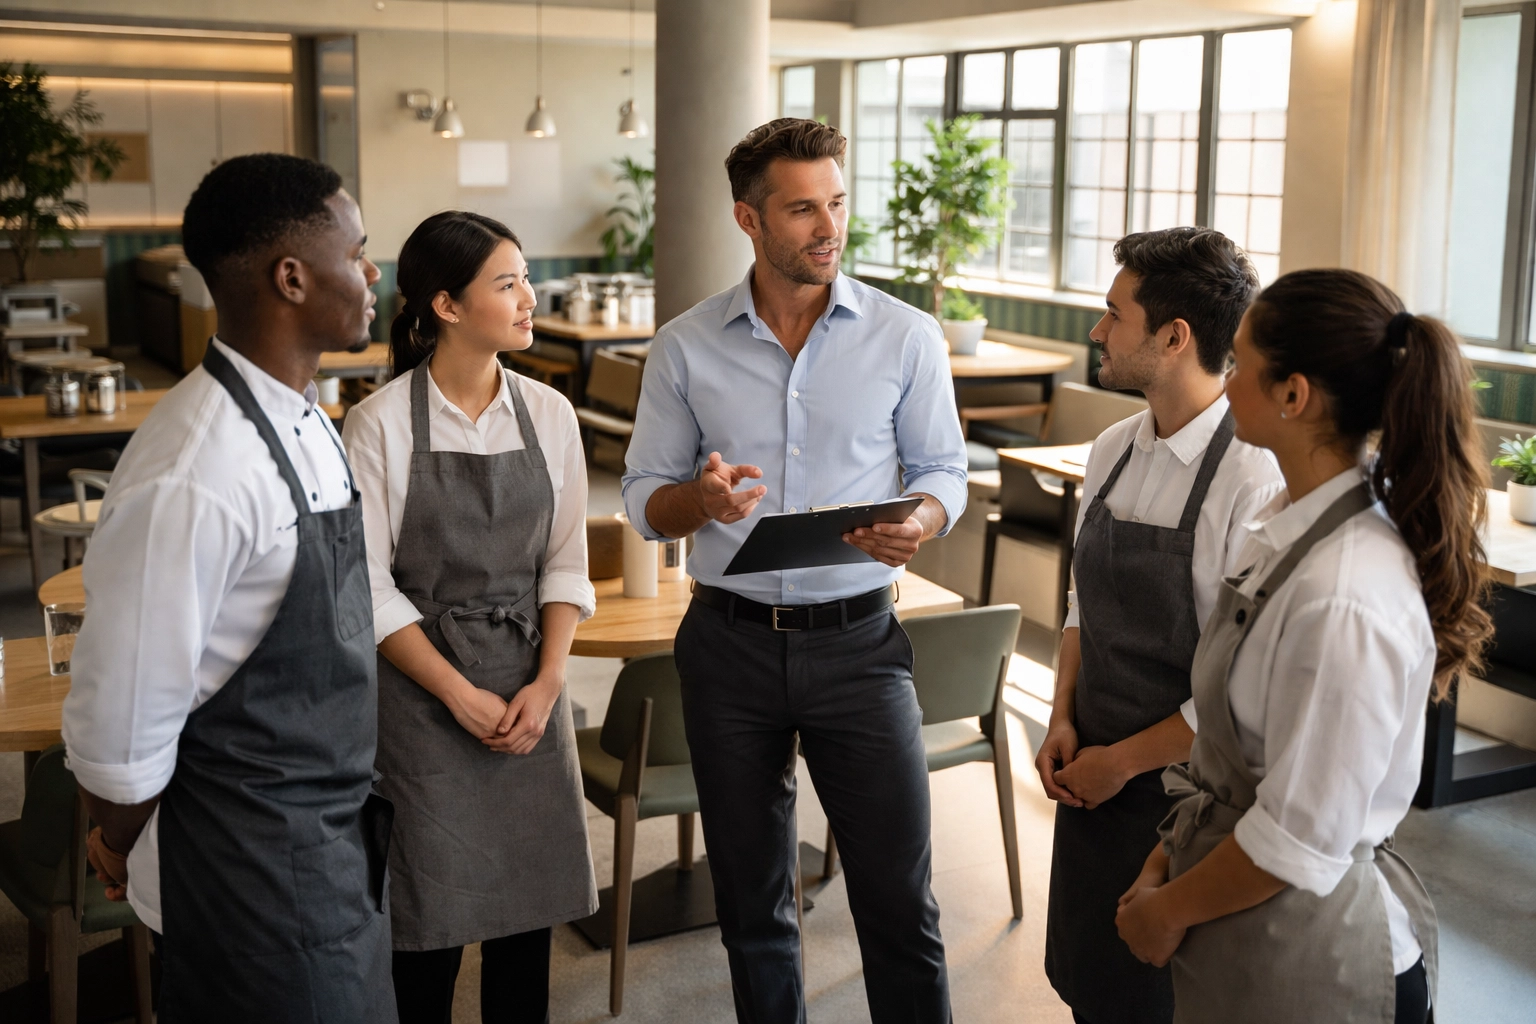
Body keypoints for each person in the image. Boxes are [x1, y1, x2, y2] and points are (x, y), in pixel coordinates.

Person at [621, 117, 967, 1023]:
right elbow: (645, 497)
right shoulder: (686, 346)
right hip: (727, 649)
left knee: (899, 903)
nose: (829, 227)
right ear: (749, 218)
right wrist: (699, 502)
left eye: (838, 203)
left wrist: (921, 520)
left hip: (861, 646)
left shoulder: (907, 336)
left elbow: (943, 472)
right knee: (752, 907)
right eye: (803, 208)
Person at [61, 153, 397, 1021]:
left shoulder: (308, 417)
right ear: (290, 276)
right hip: (242, 879)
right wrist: (116, 840)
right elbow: (123, 719)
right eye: (356, 252)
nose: (371, 273)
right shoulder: (196, 468)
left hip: (328, 844)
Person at [1115, 268, 1489, 1024]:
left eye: (1242, 362)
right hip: (1244, 930)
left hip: (1319, 958)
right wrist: (1164, 860)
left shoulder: (1346, 591)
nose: (1224, 380)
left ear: (1294, 395)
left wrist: (1164, 911)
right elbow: (1236, 764)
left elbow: (1297, 837)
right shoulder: (1289, 527)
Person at [342, 211, 597, 1024]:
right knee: (427, 937)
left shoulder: (550, 415)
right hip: (422, 705)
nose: (529, 297)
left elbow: (564, 563)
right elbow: (369, 590)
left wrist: (550, 682)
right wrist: (457, 693)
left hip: (531, 694)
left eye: (526, 278)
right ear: (446, 306)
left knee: (527, 940)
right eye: (508, 282)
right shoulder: (378, 423)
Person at [1036, 227, 1285, 1024]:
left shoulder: (1251, 481)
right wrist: (1062, 716)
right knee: (1091, 985)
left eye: (1114, 314)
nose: (1097, 331)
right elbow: (1083, 604)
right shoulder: (1112, 447)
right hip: (1090, 778)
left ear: (1175, 337)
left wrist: (1123, 764)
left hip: (1184, 794)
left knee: (1160, 1000)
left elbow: (1242, 687)